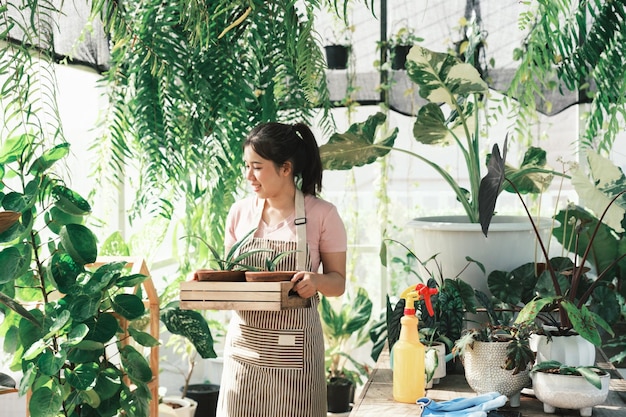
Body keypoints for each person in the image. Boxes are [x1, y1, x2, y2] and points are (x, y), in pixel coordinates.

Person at [216, 122, 347, 417]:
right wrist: (205, 283)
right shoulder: (239, 212)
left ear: (285, 168)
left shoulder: (323, 214)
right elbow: (232, 277)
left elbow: (338, 283)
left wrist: (316, 281)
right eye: (246, 166)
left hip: (295, 351)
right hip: (244, 349)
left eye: (257, 167)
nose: (248, 176)